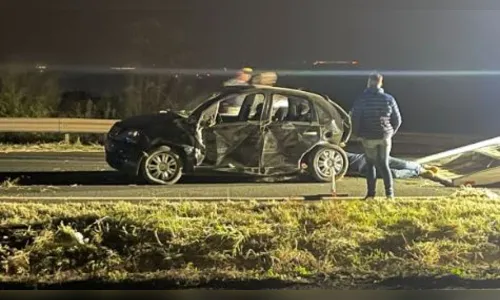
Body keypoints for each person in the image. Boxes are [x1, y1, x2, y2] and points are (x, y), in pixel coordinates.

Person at [350, 72, 402, 199]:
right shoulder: (389, 99)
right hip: (385, 137)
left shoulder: (362, 99)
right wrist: (390, 132)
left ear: (369, 82)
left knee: (370, 165)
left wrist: (357, 134)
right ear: (381, 83)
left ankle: (371, 194)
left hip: (369, 137)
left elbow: (355, 118)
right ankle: (389, 194)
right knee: (384, 164)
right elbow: (398, 120)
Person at [345, 152, 438, 179]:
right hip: (365, 169)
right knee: (393, 173)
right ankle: (418, 171)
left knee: (401, 163)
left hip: (370, 157)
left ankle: (419, 166)